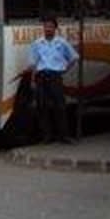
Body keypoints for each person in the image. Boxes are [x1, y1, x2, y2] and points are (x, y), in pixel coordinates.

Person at [29, 16, 79, 144]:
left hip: (55, 76)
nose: (48, 29)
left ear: (55, 28)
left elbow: (74, 57)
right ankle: (46, 136)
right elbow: (34, 63)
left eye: (50, 27)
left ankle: (64, 135)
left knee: (60, 106)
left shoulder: (61, 43)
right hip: (41, 76)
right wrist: (33, 80)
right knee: (42, 107)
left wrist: (64, 69)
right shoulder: (38, 43)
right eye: (46, 26)